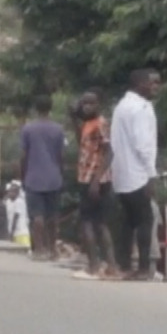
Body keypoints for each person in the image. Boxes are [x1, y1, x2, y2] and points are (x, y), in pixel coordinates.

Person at [110, 70, 161, 279]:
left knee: (128, 222)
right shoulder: (141, 108)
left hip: (122, 174)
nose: (156, 87)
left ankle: (123, 264)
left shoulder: (122, 106)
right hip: (138, 174)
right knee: (144, 220)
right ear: (141, 84)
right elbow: (143, 144)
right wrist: (151, 175)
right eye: (153, 82)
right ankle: (143, 268)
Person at [19, 94, 66, 261]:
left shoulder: (28, 129)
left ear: (35, 108)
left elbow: (23, 155)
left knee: (37, 216)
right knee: (53, 216)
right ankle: (53, 249)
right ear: (50, 108)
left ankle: (39, 250)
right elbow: (61, 155)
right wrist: (61, 173)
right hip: (54, 178)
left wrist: (22, 175)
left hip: (33, 178)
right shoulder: (58, 129)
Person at [71, 91, 113, 279]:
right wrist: (74, 118)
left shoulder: (100, 124)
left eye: (91, 103)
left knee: (89, 222)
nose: (87, 107)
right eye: (84, 103)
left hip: (95, 179)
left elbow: (109, 152)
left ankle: (95, 266)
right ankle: (109, 266)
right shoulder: (87, 124)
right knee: (97, 222)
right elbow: (80, 142)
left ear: (98, 105)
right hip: (85, 177)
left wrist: (96, 180)